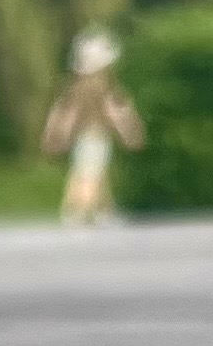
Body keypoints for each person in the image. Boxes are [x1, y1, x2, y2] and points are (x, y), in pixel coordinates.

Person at [43, 29, 142, 224]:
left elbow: (65, 113)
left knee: (92, 171)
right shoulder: (101, 86)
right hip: (95, 134)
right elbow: (114, 112)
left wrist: (59, 134)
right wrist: (128, 131)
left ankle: (104, 212)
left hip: (84, 135)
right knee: (89, 174)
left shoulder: (76, 86)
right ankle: (77, 212)